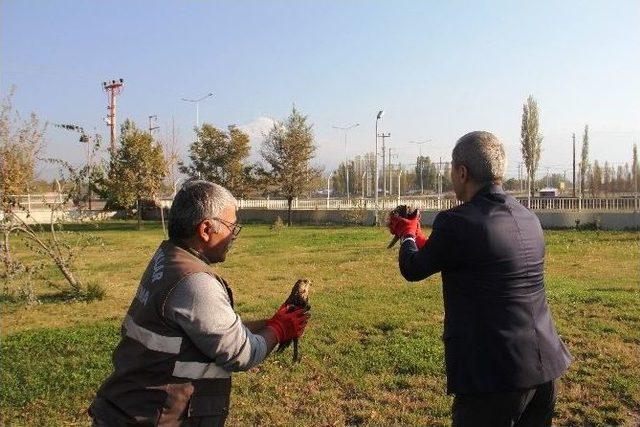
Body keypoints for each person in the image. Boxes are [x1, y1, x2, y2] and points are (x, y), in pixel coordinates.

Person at [89, 180, 310, 426]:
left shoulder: (169, 259)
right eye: (231, 227)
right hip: (154, 418)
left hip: (129, 409)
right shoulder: (194, 283)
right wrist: (280, 330)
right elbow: (242, 354)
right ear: (206, 229)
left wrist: (268, 323)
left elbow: (204, 331)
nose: (234, 236)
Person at [388, 131, 571, 427]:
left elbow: (413, 268)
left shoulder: (456, 221)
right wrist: (420, 237)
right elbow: (467, 254)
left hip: (493, 379)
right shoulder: (527, 218)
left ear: (462, 172)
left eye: (451, 168)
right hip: (543, 369)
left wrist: (408, 233)